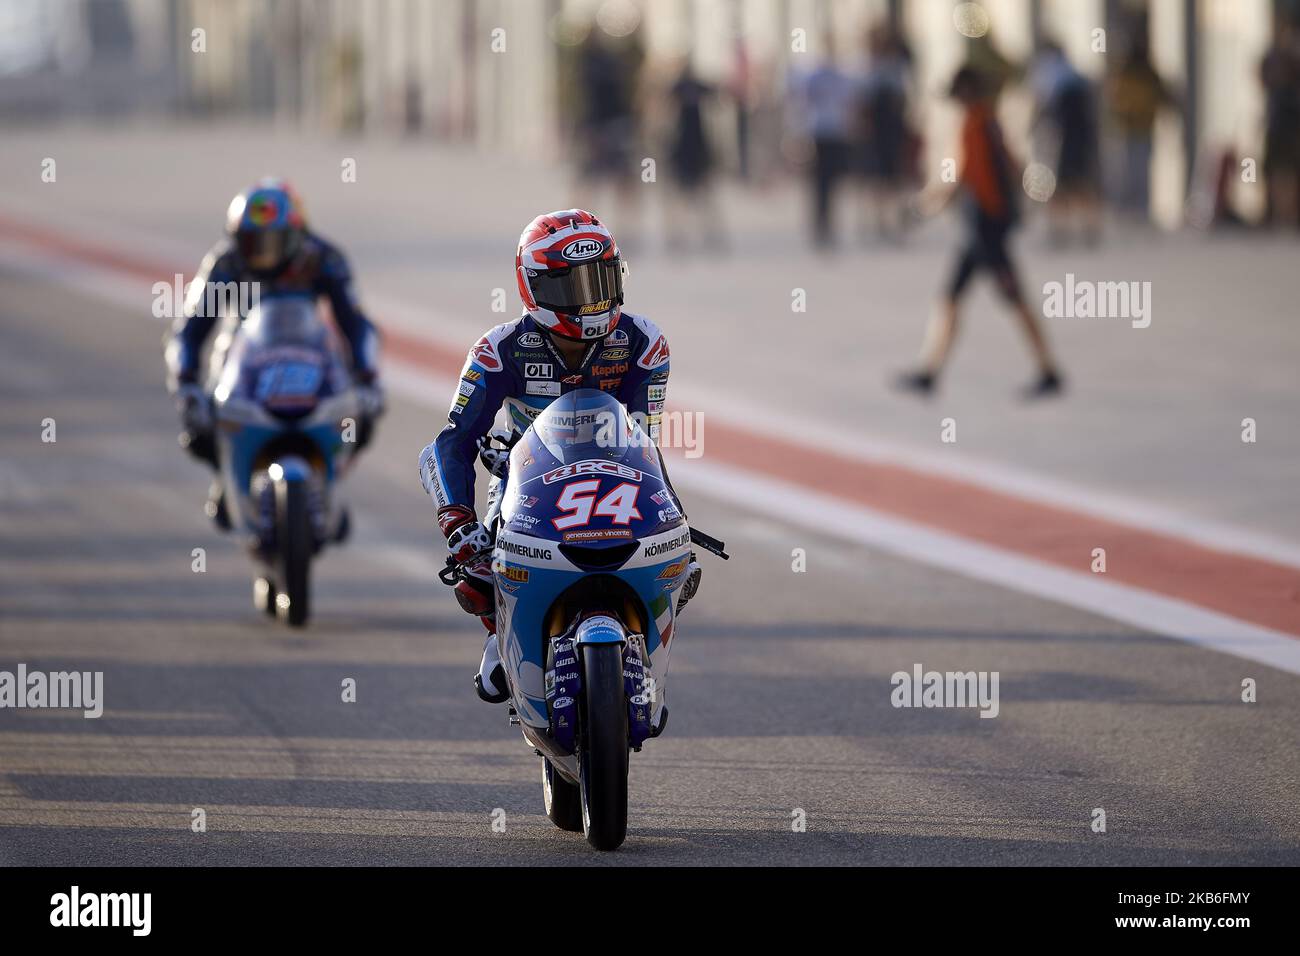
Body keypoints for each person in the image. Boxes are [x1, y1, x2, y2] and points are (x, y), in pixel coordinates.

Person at [418, 209, 700, 703]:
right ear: (534, 289)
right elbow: (452, 442)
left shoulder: (644, 344)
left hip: (618, 477)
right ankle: (500, 631)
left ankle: (642, 650)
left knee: (673, 561)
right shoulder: (496, 351)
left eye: (601, 280)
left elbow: (645, 439)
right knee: (477, 567)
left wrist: (671, 513)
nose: (590, 300)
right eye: (572, 287)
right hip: (524, 483)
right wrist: (455, 520)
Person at [164, 178, 384, 527]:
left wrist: (369, 379)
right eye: (250, 243)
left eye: (270, 243)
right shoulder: (226, 262)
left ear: (296, 235)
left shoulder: (325, 258)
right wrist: (187, 384)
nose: (259, 254)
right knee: (198, 428)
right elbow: (189, 332)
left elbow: (357, 325)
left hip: (311, 355)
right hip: (244, 360)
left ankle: (329, 483)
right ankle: (228, 479)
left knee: (364, 418)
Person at [897, 67, 1063, 399]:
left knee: (1012, 298)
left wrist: (923, 207)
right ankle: (931, 369)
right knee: (951, 298)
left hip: (984, 228)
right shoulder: (990, 121)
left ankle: (1048, 369)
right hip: (982, 228)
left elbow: (959, 177)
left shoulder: (975, 125)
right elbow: (1012, 165)